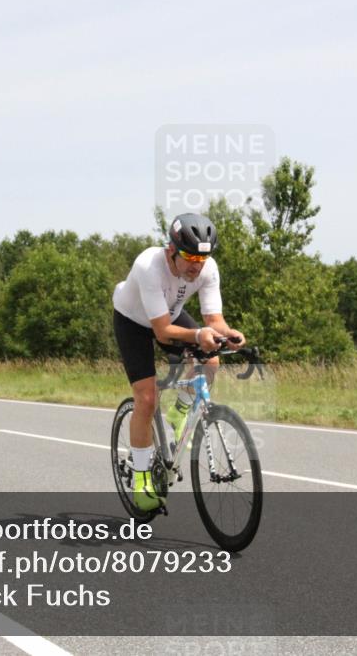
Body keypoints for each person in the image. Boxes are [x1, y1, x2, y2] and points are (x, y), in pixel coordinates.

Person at [112, 213, 245, 512]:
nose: (196, 265)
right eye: (189, 256)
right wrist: (199, 335)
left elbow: (214, 320)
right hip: (134, 321)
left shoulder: (207, 269)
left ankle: (179, 411)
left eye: (202, 258)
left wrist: (229, 333)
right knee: (146, 398)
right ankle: (142, 478)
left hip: (169, 315)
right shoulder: (149, 266)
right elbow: (161, 331)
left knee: (210, 364)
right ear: (171, 249)